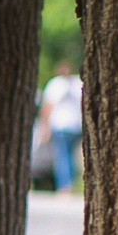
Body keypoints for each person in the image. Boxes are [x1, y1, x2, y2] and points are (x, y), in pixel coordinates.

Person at [40, 59, 85, 192]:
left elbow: (47, 107)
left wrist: (44, 126)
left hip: (61, 126)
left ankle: (65, 185)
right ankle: (70, 182)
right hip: (76, 126)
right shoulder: (77, 83)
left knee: (62, 156)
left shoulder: (55, 84)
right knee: (70, 156)